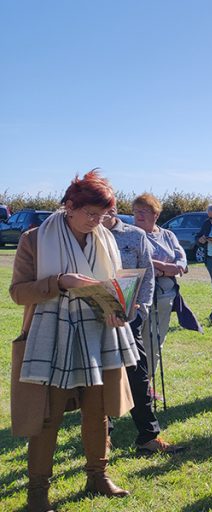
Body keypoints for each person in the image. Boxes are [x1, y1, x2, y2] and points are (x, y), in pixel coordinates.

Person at [9, 170, 140, 511]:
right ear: (69, 206)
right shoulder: (35, 239)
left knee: (98, 411)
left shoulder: (104, 239)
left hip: (99, 332)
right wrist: (59, 282)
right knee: (47, 415)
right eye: (90, 214)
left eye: (103, 215)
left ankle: (98, 475)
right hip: (51, 334)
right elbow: (18, 294)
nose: (96, 222)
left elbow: (110, 286)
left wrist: (119, 307)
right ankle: (38, 492)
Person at [102, 208, 187, 455]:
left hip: (130, 319)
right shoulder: (88, 234)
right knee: (102, 378)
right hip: (96, 320)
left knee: (138, 376)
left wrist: (142, 311)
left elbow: (148, 275)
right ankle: (103, 434)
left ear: (114, 208)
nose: (103, 214)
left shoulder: (134, 235)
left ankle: (148, 438)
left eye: (108, 208)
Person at [132, 193, 187, 385]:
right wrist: (166, 267)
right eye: (136, 211)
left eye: (144, 211)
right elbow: (139, 262)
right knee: (134, 343)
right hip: (138, 296)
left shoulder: (168, 235)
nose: (139, 215)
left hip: (165, 295)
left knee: (155, 342)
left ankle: (147, 383)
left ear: (156, 214)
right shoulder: (131, 234)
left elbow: (181, 260)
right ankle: (133, 386)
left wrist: (174, 266)